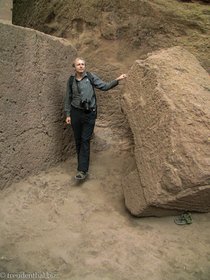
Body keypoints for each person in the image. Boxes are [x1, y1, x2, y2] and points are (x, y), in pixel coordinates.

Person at [64, 57, 127, 180]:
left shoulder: (91, 77)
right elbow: (68, 97)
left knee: (85, 140)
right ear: (74, 67)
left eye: (83, 64)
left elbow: (104, 86)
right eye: (78, 64)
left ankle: (82, 170)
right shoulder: (71, 80)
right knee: (78, 140)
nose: (81, 66)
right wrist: (68, 114)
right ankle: (81, 165)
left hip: (89, 113)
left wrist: (117, 80)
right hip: (75, 112)